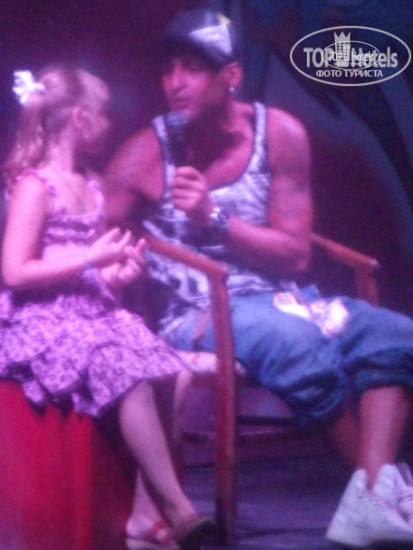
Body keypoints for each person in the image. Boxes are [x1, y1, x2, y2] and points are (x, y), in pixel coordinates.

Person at [104, 8, 413, 548]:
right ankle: (377, 495)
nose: (174, 83)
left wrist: (214, 218)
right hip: (200, 313)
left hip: (283, 296)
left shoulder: (279, 135)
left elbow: (294, 256)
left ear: (231, 76)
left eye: (193, 68)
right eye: (168, 69)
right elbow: (90, 222)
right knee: (292, 342)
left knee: (392, 334)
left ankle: (370, 499)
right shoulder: (149, 150)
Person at [0, 64, 214, 550]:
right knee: (126, 373)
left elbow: (91, 269)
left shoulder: (91, 185)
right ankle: (179, 509)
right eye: (104, 114)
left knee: (173, 373)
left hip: (92, 312)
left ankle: (144, 514)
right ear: (80, 118)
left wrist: (112, 273)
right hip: (41, 318)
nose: (109, 124)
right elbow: (14, 271)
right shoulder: (36, 185)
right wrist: (89, 260)